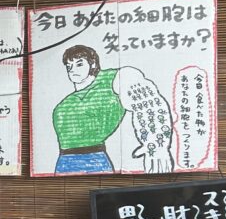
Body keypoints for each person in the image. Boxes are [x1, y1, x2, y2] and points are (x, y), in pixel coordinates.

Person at [51, 45, 173, 176]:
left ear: (93, 64)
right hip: (64, 162)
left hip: (94, 161)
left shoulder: (113, 78)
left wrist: (156, 145)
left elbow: (149, 103)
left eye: (79, 64)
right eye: (69, 66)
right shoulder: (66, 102)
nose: (72, 70)